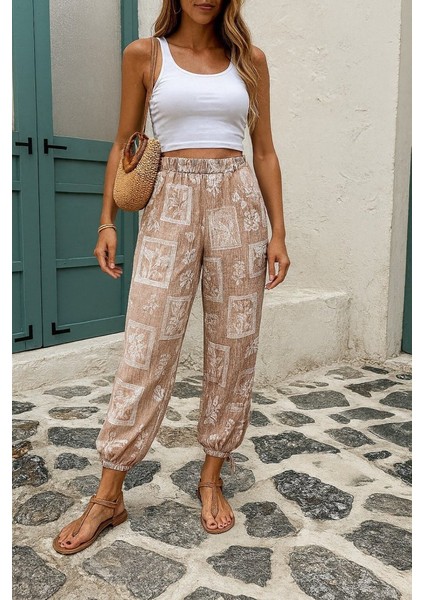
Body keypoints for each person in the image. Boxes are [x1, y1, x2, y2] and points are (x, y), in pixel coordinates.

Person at [53, 0, 290, 554]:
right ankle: (108, 495)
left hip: (238, 203)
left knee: (234, 345)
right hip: (169, 202)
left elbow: (264, 151)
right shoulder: (145, 54)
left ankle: (211, 477)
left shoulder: (250, 60)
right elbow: (124, 142)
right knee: (147, 343)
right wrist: (107, 220)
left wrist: (278, 232)